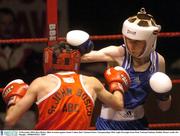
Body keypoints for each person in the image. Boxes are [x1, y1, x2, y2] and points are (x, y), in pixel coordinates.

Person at [2, 30, 131, 130]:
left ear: (49, 60)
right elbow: (119, 105)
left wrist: (14, 99)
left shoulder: (41, 83)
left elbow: (10, 119)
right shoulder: (92, 82)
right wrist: (117, 84)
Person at [81, 8, 172, 130]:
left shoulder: (158, 61)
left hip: (138, 123)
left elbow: (164, 107)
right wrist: (74, 50)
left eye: (137, 42)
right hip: (109, 124)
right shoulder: (118, 53)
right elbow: (84, 58)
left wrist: (164, 95)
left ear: (150, 41)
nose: (131, 46)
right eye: (129, 40)